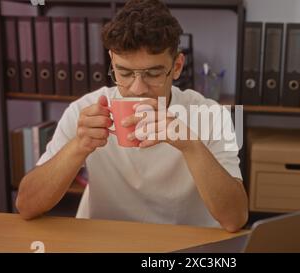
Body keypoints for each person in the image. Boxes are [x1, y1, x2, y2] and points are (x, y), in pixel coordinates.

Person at [16, 0, 248, 232]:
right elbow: (26, 205)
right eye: (124, 73)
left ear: (176, 66)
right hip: (105, 241)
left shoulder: (212, 115)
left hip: (181, 246)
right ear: (112, 63)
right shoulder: (85, 111)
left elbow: (235, 218)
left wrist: (191, 146)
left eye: (153, 73)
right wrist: (78, 146)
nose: (137, 88)